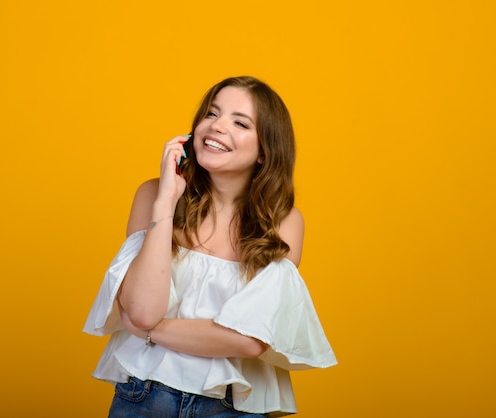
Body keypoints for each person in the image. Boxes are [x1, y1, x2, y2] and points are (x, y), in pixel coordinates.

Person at [84, 76, 337, 417]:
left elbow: (249, 340)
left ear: (265, 151)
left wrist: (149, 331)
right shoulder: (152, 194)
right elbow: (143, 309)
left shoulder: (283, 221)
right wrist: (165, 203)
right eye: (212, 114)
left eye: (240, 122)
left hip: (232, 407)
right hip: (143, 397)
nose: (217, 127)